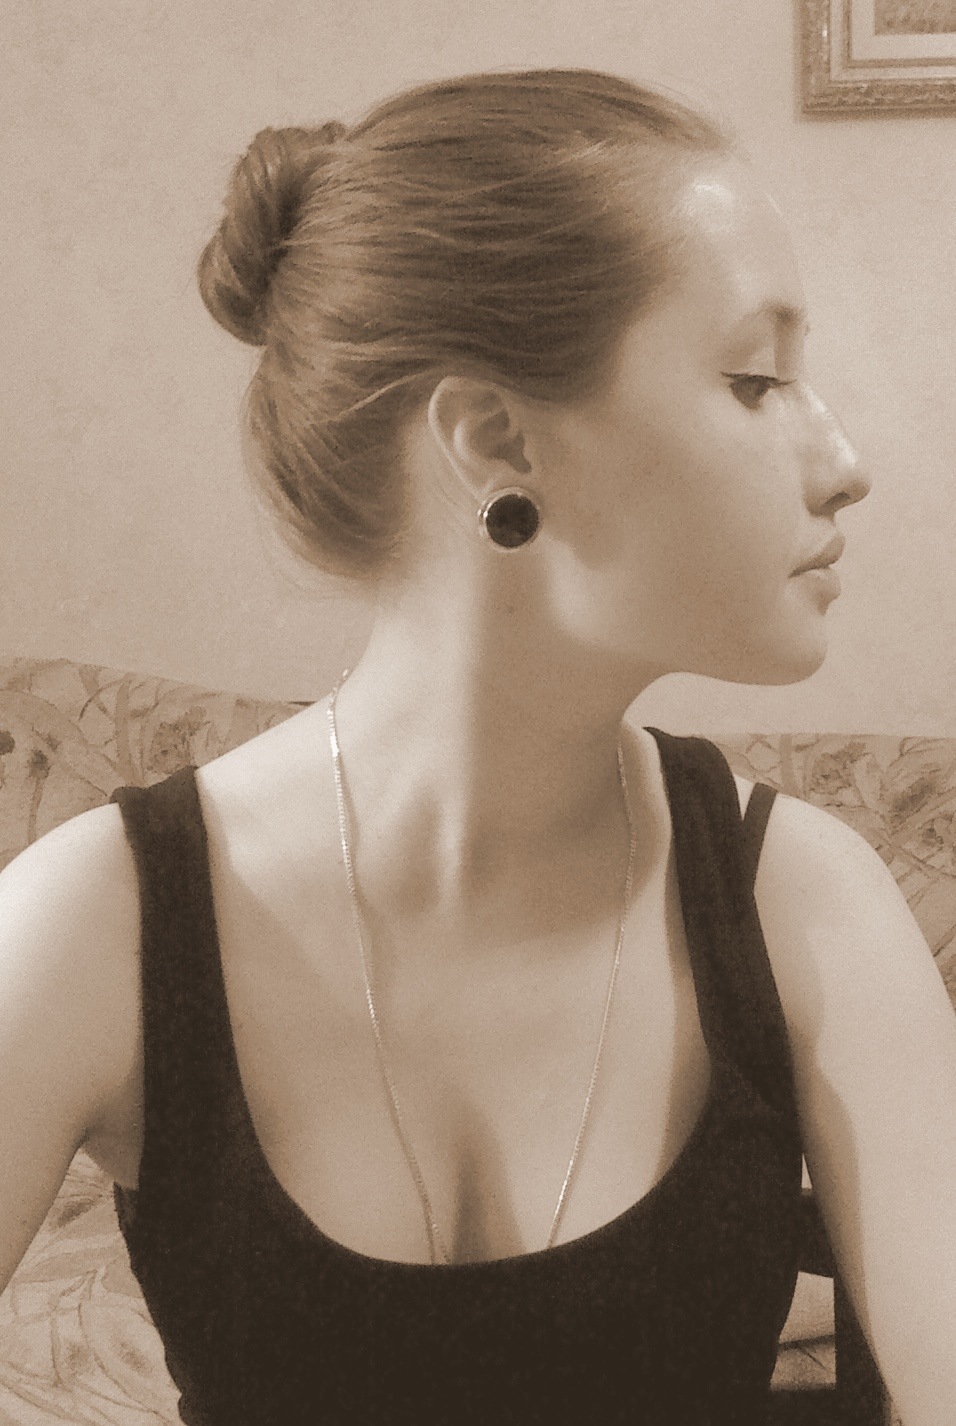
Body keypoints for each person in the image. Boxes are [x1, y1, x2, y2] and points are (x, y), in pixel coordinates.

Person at [1, 66, 954, 1426]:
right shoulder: (94, 926)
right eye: (756, 380)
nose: (845, 460)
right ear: (498, 439)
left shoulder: (804, 907)